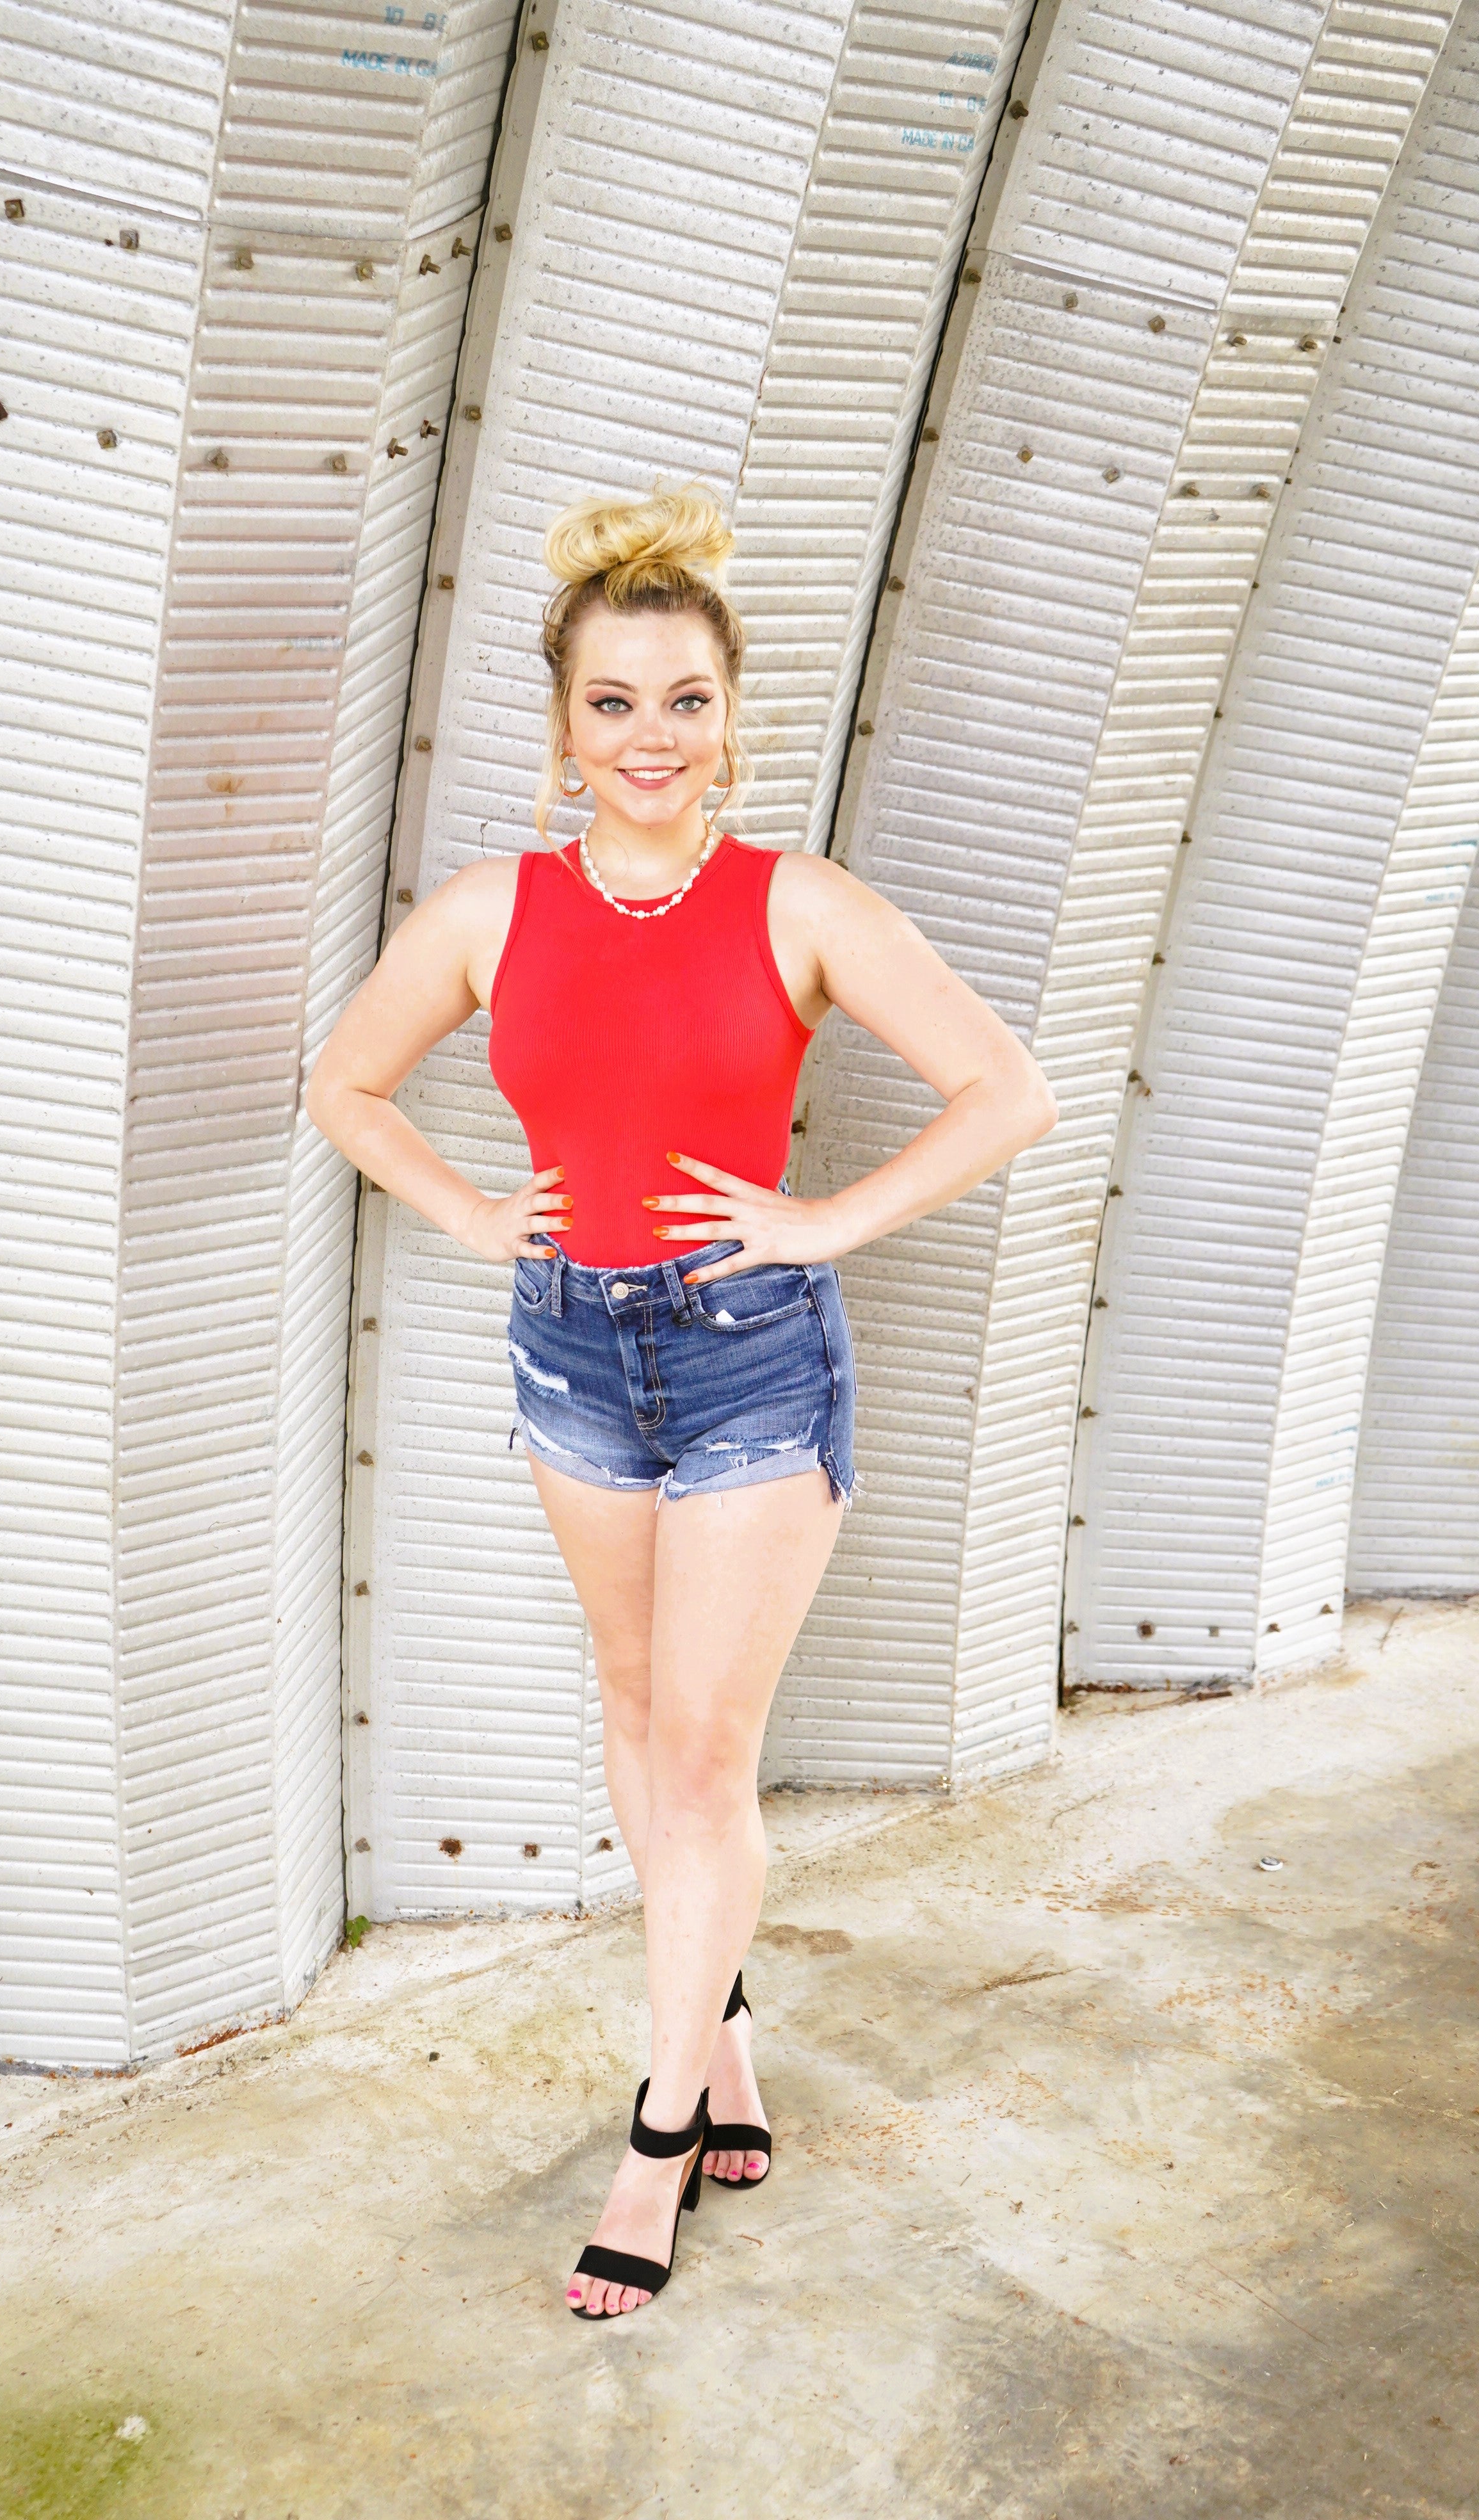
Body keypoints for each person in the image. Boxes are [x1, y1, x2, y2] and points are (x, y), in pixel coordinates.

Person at [306, 483, 1056, 2320]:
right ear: (563, 727)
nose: (654, 739)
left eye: (687, 701)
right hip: (569, 1349)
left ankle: (656, 2139)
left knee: (708, 1755)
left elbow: (1003, 1089)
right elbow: (346, 1084)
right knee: (638, 1715)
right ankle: (716, 2038)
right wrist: (484, 1215)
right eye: (617, 703)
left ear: (734, 719)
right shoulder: (495, 909)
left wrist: (823, 1222)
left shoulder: (795, 901)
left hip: (745, 1359)